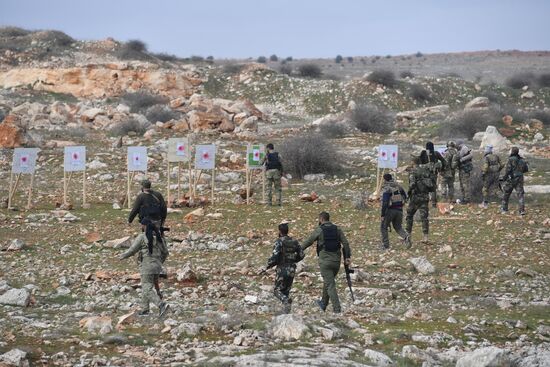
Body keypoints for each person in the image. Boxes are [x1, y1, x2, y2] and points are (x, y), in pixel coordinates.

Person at [301, 212, 352, 314]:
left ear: (321, 219)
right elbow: (345, 243)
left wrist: (299, 249)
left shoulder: (320, 230)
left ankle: (337, 309)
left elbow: (309, 241)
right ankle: (323, 303)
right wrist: (347, 257)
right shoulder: (337, 229)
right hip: (336, 262)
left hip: (325, 262)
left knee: (330, 285)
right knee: (328, 281)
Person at [119, 218, 170, 316]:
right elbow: (166, 253)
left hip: (147, 266)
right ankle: (144, 309)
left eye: (141, 225)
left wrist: (122, 256)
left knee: (147, 288)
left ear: (145, 226)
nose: (141, 227)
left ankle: (161, 304)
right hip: (157, 266)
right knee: (146, 286)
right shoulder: (160, 238)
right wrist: (159, 261)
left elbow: (132, 250)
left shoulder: (142, 237)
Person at [262, 223, 304, 313]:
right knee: (286, 291)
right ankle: (286, 312)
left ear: (280, 231)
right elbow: (302, 254)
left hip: (282, 269)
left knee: (277, 291)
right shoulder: (294, 241)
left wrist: (267, 266)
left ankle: (285, 301)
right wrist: (294, 260)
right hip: (292, 269)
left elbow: (275, 256)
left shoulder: (279, 241)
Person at [380, 173, 411, 250]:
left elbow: (385, 202)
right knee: (398, 227)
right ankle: (406, 236)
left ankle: (385, 245)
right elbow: (405, 197)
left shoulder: (387, 188)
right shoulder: (398, 186)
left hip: (390, 211)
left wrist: (383, 214)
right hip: (399, 210)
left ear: (384, 179)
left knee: (383, 227)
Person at [406, 152, 432, 243]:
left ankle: (407, 235)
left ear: (413, 162)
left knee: (409, 216)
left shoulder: (412, 172)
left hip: (415, 198)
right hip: (424, 197)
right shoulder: (425, 170)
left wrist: (408, 193)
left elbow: (412, 184)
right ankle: (425, 237)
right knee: (424, 217)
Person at [500, 147, 528, 215]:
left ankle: (504, 209)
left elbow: (508, 170)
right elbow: (526, 169)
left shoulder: (510, 159)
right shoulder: (522, 159)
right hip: (520, 178)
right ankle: (522, 211)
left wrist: (504, 178)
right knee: (520, 195)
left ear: (512, 152)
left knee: (506, 193)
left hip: (511, 179)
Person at [480, 145, 504, 209]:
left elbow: (485, 166)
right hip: (496, 174)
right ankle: (504, 201)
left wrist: (483, 173)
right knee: (496, 189)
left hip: (489, 175)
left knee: (485, 189)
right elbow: (502, 164)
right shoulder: (496, 156)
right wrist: (498, 170)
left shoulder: (486, 157)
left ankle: (485, 203)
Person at [425, 142, 445, 208]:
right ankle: (433, 203)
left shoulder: (424, 154)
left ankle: (425, 203)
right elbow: (443, 161)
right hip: (434, 173)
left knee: (425, 188)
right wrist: (441, 169)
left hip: (425, 174)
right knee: (433, 188)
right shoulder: (436, 153)